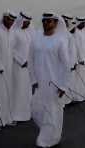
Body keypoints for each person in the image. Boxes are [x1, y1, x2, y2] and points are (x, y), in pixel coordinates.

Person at [29, 12, 70, 148]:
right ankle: (51, 134)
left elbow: (66, 65)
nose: (46, 23)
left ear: (56, 23)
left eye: (49, 21)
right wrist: (33, 80)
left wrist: (63, 86)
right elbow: (31, 59)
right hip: (39, 82)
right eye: (44, 21)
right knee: (36, 109)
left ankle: (46, 139)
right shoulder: (36, 39)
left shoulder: (60, 41)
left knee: (52, 111)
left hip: (54, 83)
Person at [0, 11, 17, 128]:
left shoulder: (11, 32)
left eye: (13, 20)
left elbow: (12, 50)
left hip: (9, 68)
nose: (12, 22)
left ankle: (6, 119)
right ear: (5, 18)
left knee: (8, 94)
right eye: (10, 20)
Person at [11, 12, 33, 122]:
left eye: (29, 21)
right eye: (26, 21)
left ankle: (26, 114)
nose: (28, 23)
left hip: (28, 67)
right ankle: (15, 115)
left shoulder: (28, 33)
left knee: (26, 90)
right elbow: (11, 49)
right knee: (18, 90)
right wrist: (21, 60)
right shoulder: (14, 33)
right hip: (18, 66)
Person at [73, 17, 85, 100]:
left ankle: (82, 95)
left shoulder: (82, 31)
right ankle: (77, 97)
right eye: (83, 23)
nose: (84, 25)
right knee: (78, 79)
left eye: (84, 23)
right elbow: (76, 47)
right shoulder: (75, 32)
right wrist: (80, 59)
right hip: (79, 60)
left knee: (84, 77)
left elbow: (84, 46)